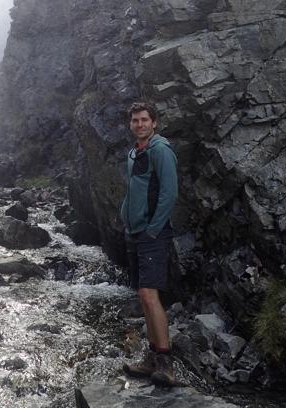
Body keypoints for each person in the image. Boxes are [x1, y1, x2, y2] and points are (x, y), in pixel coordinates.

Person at [120, 101, 179, 386]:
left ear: (154, 123)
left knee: (149, 293)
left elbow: (170, 192)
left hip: (152, 233)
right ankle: (151, 358)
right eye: (135, 120)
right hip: (135, 231)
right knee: (144, 296)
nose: (140, 124)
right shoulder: (134, 152)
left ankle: (165, 363)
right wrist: (125, 218)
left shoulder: (161, 151)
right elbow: (132, 190)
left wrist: (154, 229)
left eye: (144, 120)